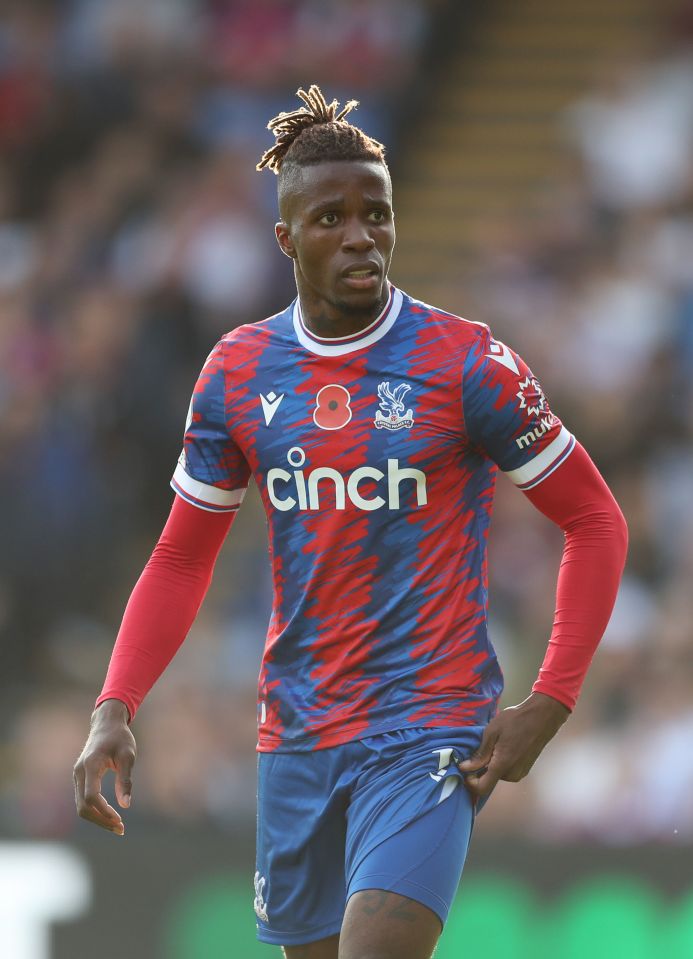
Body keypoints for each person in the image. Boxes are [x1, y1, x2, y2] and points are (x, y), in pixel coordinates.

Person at [74, 85, 628, 959]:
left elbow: (594, 519)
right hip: (297, 736)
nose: (361, 234)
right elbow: (182, 559)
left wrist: (550, 700)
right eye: (331, 217)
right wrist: (115, 705)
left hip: (427, 727)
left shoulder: (464, 362)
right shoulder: (237, 373)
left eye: (377, 212)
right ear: (285, 238)